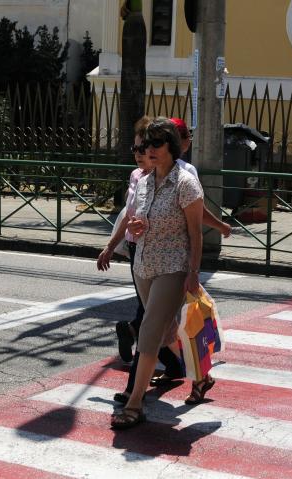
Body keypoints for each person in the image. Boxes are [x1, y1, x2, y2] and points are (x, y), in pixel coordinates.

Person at [110, 117, 213, 430]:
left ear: (171, 146)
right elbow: (138, 219)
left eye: (156, 143)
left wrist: (193, 272)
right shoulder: (143, 182)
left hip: (173, 267)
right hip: (143, 266)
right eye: (145, 145)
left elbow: (195, 234)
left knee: (150, 331)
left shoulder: (185, 183)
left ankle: (134, 403)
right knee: (167, 333)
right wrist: (137, 226)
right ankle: (203, 376)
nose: (148, 150)